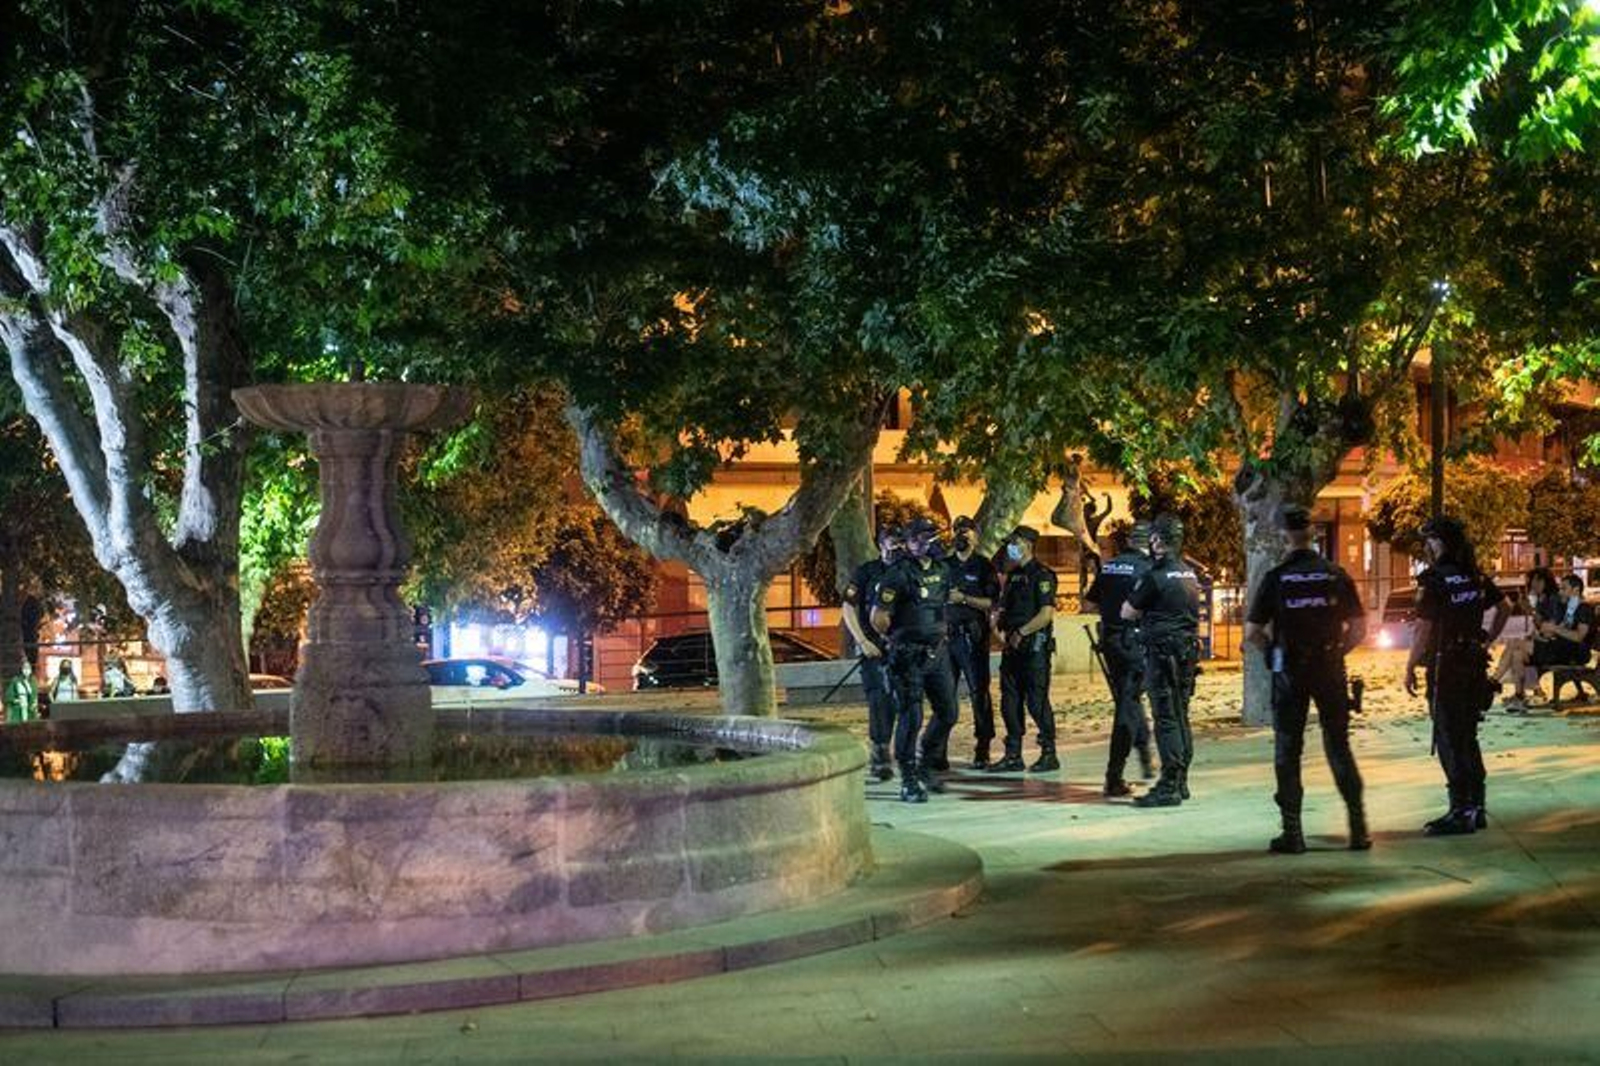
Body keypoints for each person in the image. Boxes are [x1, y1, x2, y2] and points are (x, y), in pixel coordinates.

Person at [1244, 505, 1369, 853]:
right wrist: (1337, 652)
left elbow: (1253, 631)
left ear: (1284, 535)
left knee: (1288, 749)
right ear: (1312, 533)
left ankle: (1293, 833)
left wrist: (1273, 654)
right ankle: (1358, 829)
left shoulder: (1277, 577)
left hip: (1290, 671)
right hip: (1329, 669)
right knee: (1338, 746)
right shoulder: (1334, 574)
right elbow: (1359, 628)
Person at [1404, 515, 1507, 836]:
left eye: (1430, 541)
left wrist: (1410, 664)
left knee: (1448, 737)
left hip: (1446, 665)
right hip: (1474, 664)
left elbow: (1424, 627)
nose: (1426, 548)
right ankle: (1476, 807)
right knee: (1468, 736)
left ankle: (1460, 809)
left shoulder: (1434, 580)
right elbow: (1504, 607)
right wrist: (1487, 639)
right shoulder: (1473, 577)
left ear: (1441, 543)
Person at [871, 516, 960, 802]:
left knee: (948, 712)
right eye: (919, 538)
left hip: (937, 653)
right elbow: (878, 617)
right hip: (907, 655)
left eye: (930, 536)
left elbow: (943, 605)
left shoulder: (943, 570)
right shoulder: (897, 574)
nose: (927, 542)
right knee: (911, 716)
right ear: (908, 543)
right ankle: (908, 779)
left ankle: (925, 765)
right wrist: (896, 640)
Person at [1121, 513, 1201, 808]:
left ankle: (1169, 785)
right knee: (1181, 716)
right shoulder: (1189, 573)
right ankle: (1181, 782)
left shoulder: (1154, 576)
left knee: (1166, 719)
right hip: (1186, 653)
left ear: (1157, 540)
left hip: (1162, 654)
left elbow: (1127, 611)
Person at [1083, 521, 1155, 796]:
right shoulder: (1148, 568)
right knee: (1128, 705)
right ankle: (1115, 775)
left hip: (1111, 642)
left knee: (1129, 698)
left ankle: (1144, 756)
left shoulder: (1110, 566)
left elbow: (1088, 604)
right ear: (1149, 543)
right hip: (1136, 643)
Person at [991, 525, 1058, 773]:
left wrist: (1022, 632)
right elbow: (1004, 611)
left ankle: (1049, 752)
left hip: (1034, 649)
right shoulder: (1014, 576)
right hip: (1012, 648)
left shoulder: (1042, 575)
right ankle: (1013, 754)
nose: (1010, 548)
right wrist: (1001, 632)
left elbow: (1046, 614)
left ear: (1028, 545)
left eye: (1014, 543)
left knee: (1036, 702)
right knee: (1010, 701)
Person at [842, 524, 904, 782]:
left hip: (903, 647)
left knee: (904, 702)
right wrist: (862, 641)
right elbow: (848, 606)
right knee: (880, 700)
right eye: (892, 541)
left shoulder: (908, 571)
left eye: (900, 542)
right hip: (875, 648)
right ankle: (880, 754)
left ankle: (906, 755)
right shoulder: (867, 572)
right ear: (881, 544)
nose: (897, 546)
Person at [943, 515, 1000, 769]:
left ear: (975, 538)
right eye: (957, 532)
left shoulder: (983, 566)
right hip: (946, 638)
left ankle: (983, 746)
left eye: (966, 533)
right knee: (944, 694)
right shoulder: (944, 566)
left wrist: (964, 598)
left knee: (979, 693)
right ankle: (938, 747)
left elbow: (992, 603)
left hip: (973, 637)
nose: (961, 537)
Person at [4, 657, 39, 723]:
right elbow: (9, 695)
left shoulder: (33, 681)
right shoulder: (16, 680)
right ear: (21, 669)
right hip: (19, 709)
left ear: (31, 669)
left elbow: (35, 695)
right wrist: (16, 700)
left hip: (30, 710)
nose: (26, 670)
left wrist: (35, 704)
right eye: (24, 668)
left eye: (28, 668)